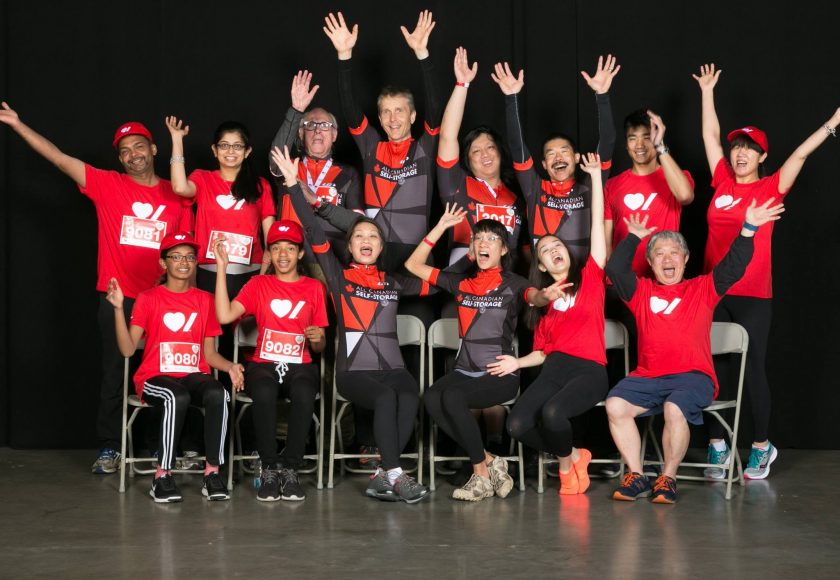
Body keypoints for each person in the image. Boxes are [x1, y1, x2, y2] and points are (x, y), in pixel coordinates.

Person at [0, 103, 194, 474]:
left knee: (168, 374)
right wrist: (18, 125)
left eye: (138, 146)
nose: (132, 155)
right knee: (116, 373)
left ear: (154, 149)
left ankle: (164, 447)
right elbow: (57, 157)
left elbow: (188, 250)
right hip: (119, 300)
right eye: (124, 151)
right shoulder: (107, 184)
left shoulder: (178, 194)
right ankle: (110, 446)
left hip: (163, 300)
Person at [694, 63, 840, 480]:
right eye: (736, 147)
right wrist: (707, 92)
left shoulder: (771, 187)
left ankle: (760, 445)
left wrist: (832, 124)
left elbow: (800, 154)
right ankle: (719, 445)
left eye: (749, 149)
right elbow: (708, 136)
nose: (739, 154)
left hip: (754, 292)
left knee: (753, 366)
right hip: (713, 290)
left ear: (761, 157)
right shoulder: (721, 181)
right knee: (711, 365)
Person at [273, 145, 431, 504]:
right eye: (358, 236)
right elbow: (311, 226)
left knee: (408, 393)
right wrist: (295, 184)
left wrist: (439, 231)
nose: (365, 241)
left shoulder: (394, 282)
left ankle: (382, 474)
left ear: (380, 247)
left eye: (373, 236)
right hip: (354, 372)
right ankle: (393, 473)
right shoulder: (338, 277)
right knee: (387, 397)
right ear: (350, 245)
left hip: (392, 369)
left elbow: (439, 280)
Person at [604, 198, 784, 504]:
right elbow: (614, 269)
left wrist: (749, 228)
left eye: (674, 252)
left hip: (693, 377)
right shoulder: (641, 291)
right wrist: (633, 236)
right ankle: (636, 475)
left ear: (686, 259)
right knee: (615, 405)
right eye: (659, 254)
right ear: (650, 263)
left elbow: (733, 266)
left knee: (675, 409)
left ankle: (668, 477)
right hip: (648, 376)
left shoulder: (702, 288)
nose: (667, 259)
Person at [404, 205, 561, 501]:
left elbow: (534, 297)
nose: (483, 243)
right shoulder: (461, 282)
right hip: (465, 371)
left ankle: (480, 476)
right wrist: (440, 227)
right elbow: (413, 266)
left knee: (451, 398)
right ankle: (490, 460)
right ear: (472, 250)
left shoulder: (514, 284)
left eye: (491, 239)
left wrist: (545, 295)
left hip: (499, 373)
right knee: (433, 398)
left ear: (503, 249)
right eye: (478, 239)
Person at [494, 153, 608, 496]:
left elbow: (598, 223)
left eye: (558, 245)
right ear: (541, 266)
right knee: (516, 424)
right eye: (546, 250)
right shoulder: (543, 307)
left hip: (590, 370)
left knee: (554, 412)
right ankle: (573, 455)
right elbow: (543, 354)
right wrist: (518, 361)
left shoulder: (590, 277)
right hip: (555, 368)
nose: (554, 250)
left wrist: (595, 178)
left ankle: (564, 464)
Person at [106, 232, 244, 502]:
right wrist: (118, 309)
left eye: (190, 257)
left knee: (219, 393)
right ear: (163, 263)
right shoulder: (148, 298)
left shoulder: (204, 300)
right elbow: (127, 349)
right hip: (154, 377)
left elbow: (209, 354)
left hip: (191, 375)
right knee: (175, 396)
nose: (184, 262)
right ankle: (163, 475)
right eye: (176, 257)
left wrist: (230, 366)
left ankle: (212, 472)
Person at [214, 220, 328, 502]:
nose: (283, 255)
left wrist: (316, 337)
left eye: (290, 248)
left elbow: (321, 344)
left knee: (304, 392)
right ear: (270, 254)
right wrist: (221, 268)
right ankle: (269, 467)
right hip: (264, 363)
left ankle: (290, 469)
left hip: (300, 364)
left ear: (300, 253)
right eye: (276, 249)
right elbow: (224, 316)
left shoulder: (314, 288)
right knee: (263, 392)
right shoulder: (258, 284)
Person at [322, 10, 441, 273]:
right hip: (377, 257)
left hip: (416, 259)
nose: (393, 118)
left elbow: (435, 107)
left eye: (399, 110)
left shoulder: (425, 148)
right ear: (379, 116)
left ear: (412, 115)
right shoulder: (371, 146)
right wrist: (344, 56)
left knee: (420, 316)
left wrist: (423, 54)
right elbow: (349, 107)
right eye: (386, 111)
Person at [492, 56, 618, 258]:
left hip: (585, 281)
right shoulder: (535, 189)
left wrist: (602, 95)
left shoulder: (590, 185)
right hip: (544, 281)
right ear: (544, 164)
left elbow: (608, 141)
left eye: (564, 151)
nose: (558, 158)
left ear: (577, 158)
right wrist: (511, 98)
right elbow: (517, 147)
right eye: (551, 154)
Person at [166, 117, 275, 296]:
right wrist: (177, 139)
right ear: (214, 150)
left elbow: (271, 239)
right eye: (224, 145)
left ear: (247, 151)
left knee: (248, 325)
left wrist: (263, 277)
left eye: (238, 146)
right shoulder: (202, 178)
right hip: (209, 272)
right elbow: (179, 187)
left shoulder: (261, 186)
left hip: (250, 272)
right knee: (211, 324)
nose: (230, 151)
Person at [437, 47, 524, 266]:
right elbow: (447, 137)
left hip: (504, 287)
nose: (484, 154)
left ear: (500, 152)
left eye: (490, 147)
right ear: (467, 159)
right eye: (476, 150)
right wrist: (462, 85)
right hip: (462, 281)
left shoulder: (516, 197)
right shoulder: (456, 185)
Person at [270, 70, 363, 260]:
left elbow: (358, 225)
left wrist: (318, 201)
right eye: (310, 126)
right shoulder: (289, 167)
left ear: (335, 135)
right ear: (301, 134)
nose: (318, 130)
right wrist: (296, 110)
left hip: (331, 262)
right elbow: (276, 156)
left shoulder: (348, 174)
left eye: (325, 126)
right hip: (291, 261)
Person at [604, 110, 694, 276]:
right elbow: (607, 241)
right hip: (623, 281)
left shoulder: (675, 177)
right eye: (633, 139)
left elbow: (685, 196)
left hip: (662, 278)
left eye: (646, 137)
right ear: (626, 144)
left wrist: (660, 146)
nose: (639, 145)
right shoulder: (612, 185)